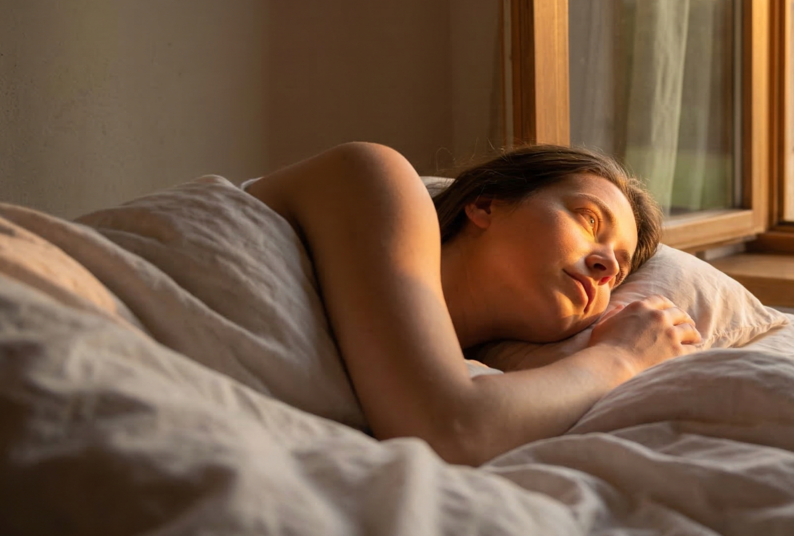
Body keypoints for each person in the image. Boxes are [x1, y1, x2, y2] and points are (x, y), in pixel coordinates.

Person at [245, 141, 701, 466]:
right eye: (588, 220)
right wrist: (621, 356)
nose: (605, 265)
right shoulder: (373, 175)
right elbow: (453, 430)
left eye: (618, 273)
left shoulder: (476, 375)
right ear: (485, 205)